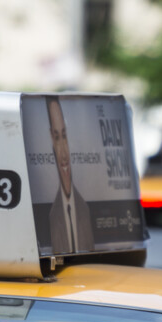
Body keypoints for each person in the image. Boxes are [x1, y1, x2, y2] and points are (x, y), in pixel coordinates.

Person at [45, 97, 94, 255]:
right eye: (57, 137)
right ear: (51, 138)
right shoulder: (51, 215)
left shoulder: (85, 209)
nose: (63, 153)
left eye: (64, 136)